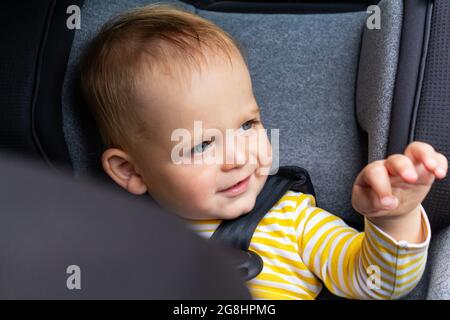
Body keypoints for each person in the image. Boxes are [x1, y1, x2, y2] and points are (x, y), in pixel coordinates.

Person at [80, 4, 448, 299]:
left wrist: (394, 219)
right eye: (202, 144)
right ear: (131, 171)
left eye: (247, 125)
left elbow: (377, 282)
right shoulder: (121, 239)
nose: (239, 157)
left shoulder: (294, 221)